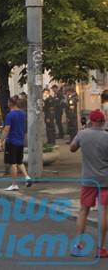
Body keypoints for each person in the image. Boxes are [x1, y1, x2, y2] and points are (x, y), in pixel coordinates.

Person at [70, 110, 108, 258]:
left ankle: (77, 246)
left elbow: (72, 149)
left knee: (83, 211)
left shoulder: (83, 134)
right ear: (103, 122)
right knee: (103, 212)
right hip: (105, 180)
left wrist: (80, 133)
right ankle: (101, 248)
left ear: (91, 121)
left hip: (88, 180)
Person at [0, 96, 32, 191]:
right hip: (20, 141)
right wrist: (24, 136)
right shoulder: (22, 113)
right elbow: (25, 126)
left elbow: (6, 129)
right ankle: (27, 177)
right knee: (19, 161)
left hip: (12, 141)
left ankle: (14, 184)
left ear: (9, 104)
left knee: (12, 163)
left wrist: (1, 141)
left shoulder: (10, 115)